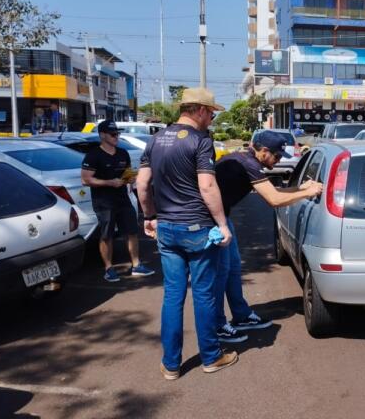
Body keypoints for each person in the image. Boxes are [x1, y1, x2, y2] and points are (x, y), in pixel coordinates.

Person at [136, 87, 237, 380]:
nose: (213, 119)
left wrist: (149, 216)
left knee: (173, 295)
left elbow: (142, 185)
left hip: (166, 228)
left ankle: (171, 364)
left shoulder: (155, 140)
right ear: (200, 110)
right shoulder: (201, 141)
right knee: (204, 294)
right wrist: (222, 224)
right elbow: (207, 187)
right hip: (197, 228)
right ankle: (211, 356)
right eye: (212, 113)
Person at [213, 131, 323, 343]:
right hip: (212, 222)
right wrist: (307, 193)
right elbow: (274, 199)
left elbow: (274, 190)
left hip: (222, 219)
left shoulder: (245, 159)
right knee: (220, 274)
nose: (279, 160)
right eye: (277, 156)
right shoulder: (250, 165)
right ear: (263, 152)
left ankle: (242, 315)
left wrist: (300, 187)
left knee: (233, 268)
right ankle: (217, 326)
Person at [81, 120, 154, 283]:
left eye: (118, 134)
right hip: (104, 201)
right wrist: (108, 182)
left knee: (132, 231)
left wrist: (131, 178)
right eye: (113, 134)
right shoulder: (94, 155)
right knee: (107, 235)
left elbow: (126, 174)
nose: (116, 137)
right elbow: (86, 180)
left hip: (123, 198)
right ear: (102, 135)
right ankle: (109, 268)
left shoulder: (122, 153)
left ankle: (136, 265)